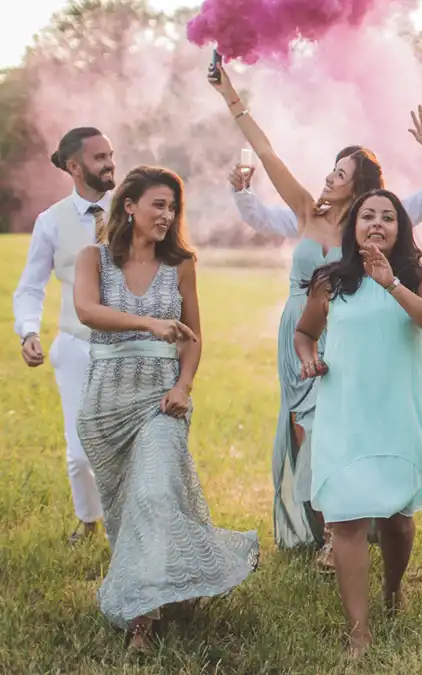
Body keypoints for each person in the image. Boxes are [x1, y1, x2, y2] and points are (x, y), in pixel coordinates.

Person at [209, 60, 422, 563]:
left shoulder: (370, 226)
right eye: (331, 170)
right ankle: (328, 535)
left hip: (348, 331)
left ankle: (356, 518)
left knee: (341, 425)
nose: (328, 176)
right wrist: (231, 97)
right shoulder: (304, 213)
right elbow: (267, 152)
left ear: (357, 186)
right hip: (299, 328)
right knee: (303, 429)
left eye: (339, 173)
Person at [73, 166, 259, 653]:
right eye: (159, 204)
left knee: (154, 494)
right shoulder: (92, 258)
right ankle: (165, 584)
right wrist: (150, 325)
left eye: (173, 207)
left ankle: (142, 621)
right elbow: (86, 312)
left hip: (161, 400)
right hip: (104, 405)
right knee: (124, 508)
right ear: (129, 206)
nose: (168, 215)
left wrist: (184, 384)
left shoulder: (181, 265)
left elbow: (194, 338)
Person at [294, 189, 422, 657]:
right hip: (345, 411)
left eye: (387, 217)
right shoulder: (329, 282)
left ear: (400, 228)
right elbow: (305, 333)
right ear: (353, 227)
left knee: (398, 521)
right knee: (346, 520)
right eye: (367, 216)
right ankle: (359, 631)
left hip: (397, 411)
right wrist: (308, 357)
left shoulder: (418, 276)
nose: (377, 223)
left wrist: (391, 284)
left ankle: (394, 586)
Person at [12, 127, 116, 544]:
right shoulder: (50, 222)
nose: (110, 164)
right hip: (75, 347)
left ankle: (125, 528)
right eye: (99, 158)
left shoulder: (130, 208)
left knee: (123, 445)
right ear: (74, 167)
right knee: (78, 453)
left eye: (111, 155)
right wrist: (28, 332)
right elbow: (31, 286)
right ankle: (88, 520)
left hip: (127, 346)